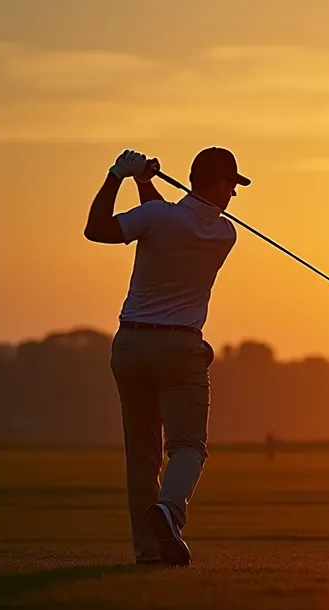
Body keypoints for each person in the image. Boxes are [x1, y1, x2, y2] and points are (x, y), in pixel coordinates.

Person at [84, 147, 250, 566]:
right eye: (232, 185)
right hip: (180, 349)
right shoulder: (224, 234)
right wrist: (142, 182)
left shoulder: (160, 219)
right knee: (188, 446)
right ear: (217, 183)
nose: (233, 195)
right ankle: (169, 510)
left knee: (142, 454)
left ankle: (150, 550)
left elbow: (99, 228)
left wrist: (120, 176)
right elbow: (165, 221)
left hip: (131, 345)